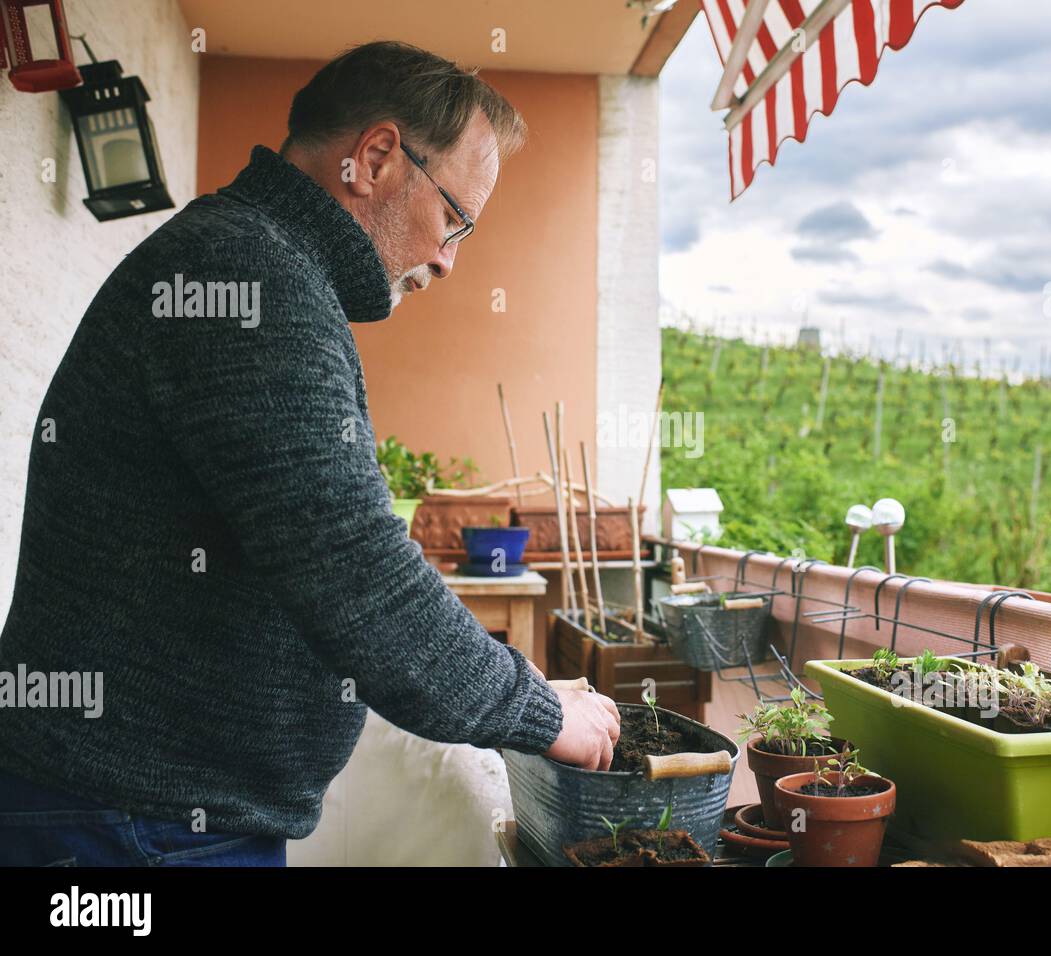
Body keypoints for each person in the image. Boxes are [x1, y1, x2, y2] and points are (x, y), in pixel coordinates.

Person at [0, 41, 619, 867]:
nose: (448, 259)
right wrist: (542, 714)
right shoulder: (248, 276)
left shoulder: (255, 261)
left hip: (147, 814)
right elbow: (352, 566)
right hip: (133, 826)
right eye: (455, 220)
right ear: (374, 158)